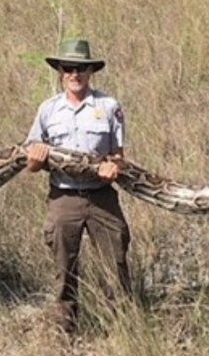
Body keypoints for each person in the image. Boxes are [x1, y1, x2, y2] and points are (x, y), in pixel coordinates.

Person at [25, 39, 132, 332]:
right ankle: (65, 330)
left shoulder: (109, 107)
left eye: (81, 68)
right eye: (69, 68)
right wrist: (35, 158)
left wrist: (114, 167)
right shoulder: (48, 110)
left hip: (101, 197)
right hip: (63, 197)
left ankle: (123, 329)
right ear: (60, 71)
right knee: (64, 268)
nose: (75, 73)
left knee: (116, 264)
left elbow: (120, 158)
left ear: (90, 71)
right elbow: (31, 164)